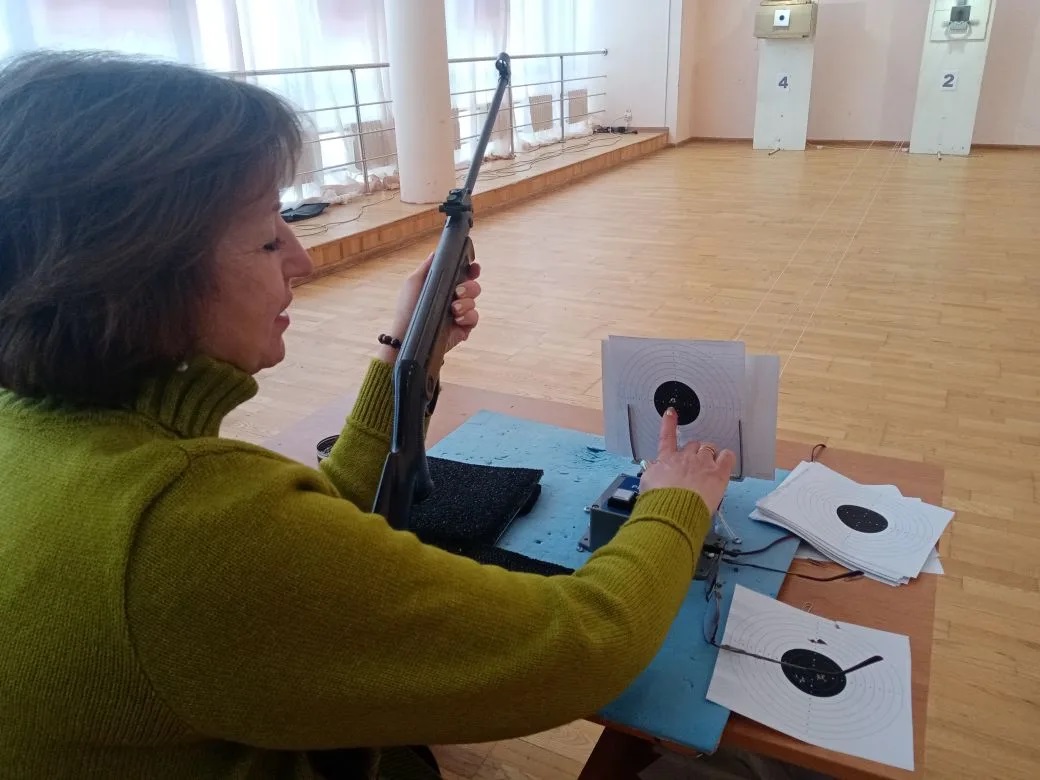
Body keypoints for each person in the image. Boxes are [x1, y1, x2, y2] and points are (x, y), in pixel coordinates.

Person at [0, 51, 735, 779]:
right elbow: (583, 647)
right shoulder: (186, 529)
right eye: (268, 237)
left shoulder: (39, 436)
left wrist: (407, 354)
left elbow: (316, 533)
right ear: (140, 277)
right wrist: (674, 503)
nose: (301, 260)